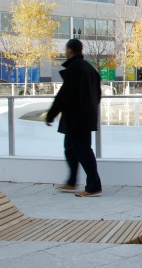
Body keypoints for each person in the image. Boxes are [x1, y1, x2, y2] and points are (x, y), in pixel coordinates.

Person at [46, 39, 102, 197]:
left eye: (66, 50)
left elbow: (64, 95)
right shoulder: (89, 68)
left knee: (83, 150)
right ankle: (71, 182)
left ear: (69, 50)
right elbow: (98, 94)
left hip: (77, 118)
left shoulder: (75, 69)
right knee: (70, 149)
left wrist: (51, 114)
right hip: (83, 116)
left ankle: (94, 187)